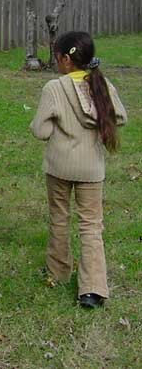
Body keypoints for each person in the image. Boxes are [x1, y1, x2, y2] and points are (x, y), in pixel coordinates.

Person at [30, 31, 126, 309]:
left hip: (60, 165)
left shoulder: (54, 88)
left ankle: (57, 271)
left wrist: (56, 127)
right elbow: (120, 116)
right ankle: (93, 287)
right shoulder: (102, 84)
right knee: (91, 225)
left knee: (59, 218)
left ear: (63, 59)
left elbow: (40, 129)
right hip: (92, 167)